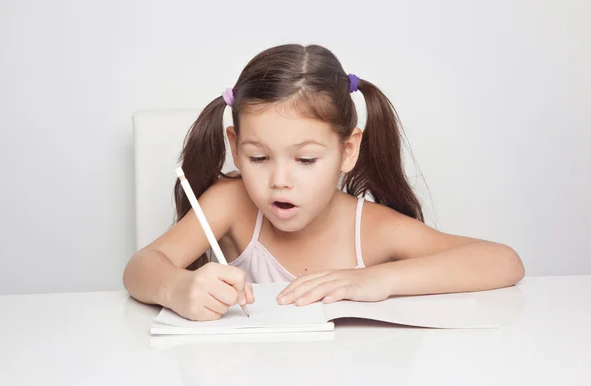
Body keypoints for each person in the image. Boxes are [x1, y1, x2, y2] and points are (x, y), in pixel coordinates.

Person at [123, 44, 525, 321]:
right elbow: (140, 268)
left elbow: (504, 261)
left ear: (348, 151)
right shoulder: (231, 203)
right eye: (259, 158)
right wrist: (177, 288)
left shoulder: (372, 228)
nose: (280, 181)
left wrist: (379, 279)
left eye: (306, 159)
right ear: (234, 146)